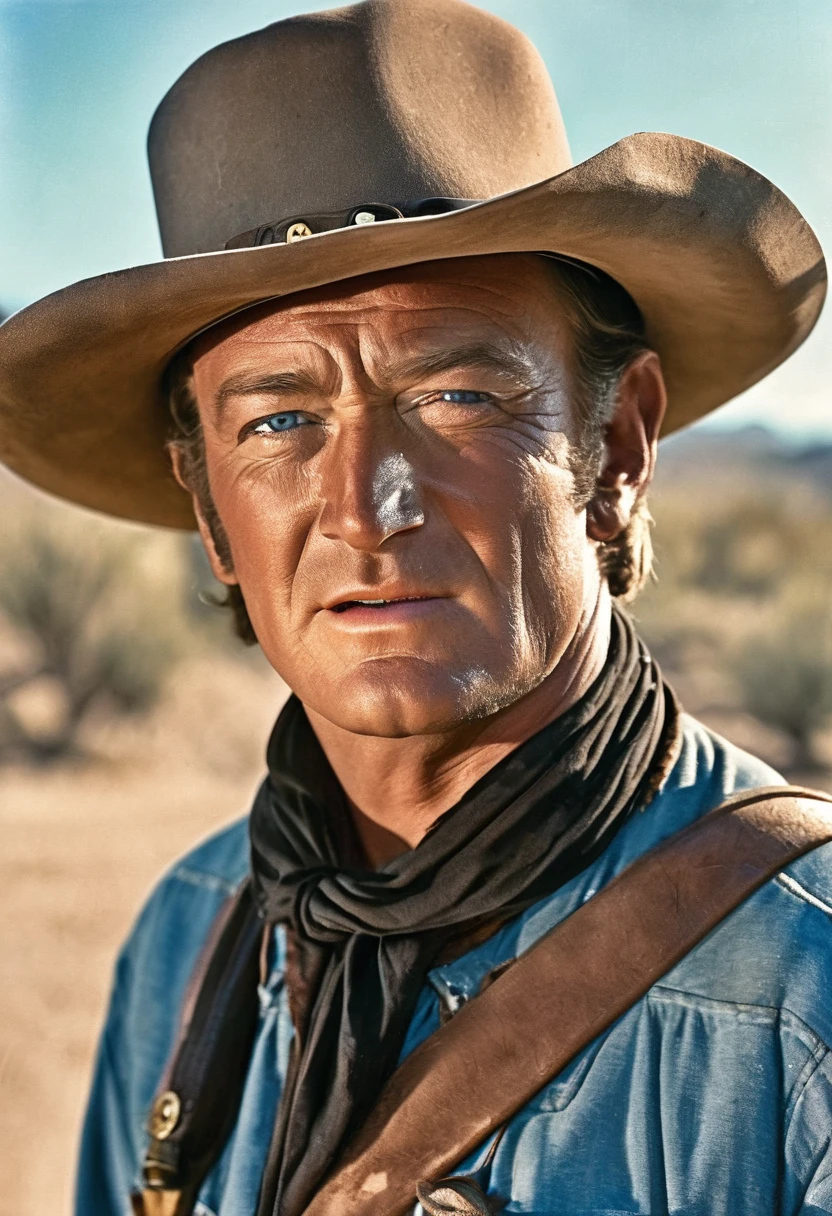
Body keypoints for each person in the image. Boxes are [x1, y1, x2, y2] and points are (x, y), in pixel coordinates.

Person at [0, 1, 829, 1213]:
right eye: (279, 421)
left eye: (452, 394)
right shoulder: (190, 938)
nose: (364, 505)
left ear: (620, 443)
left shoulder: (800, 1000)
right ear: (211, 507)